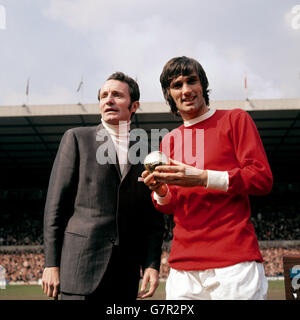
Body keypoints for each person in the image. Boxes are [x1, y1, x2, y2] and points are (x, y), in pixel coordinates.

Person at [142, 56, 273, 300]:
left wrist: (202, 178)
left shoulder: (235, 119)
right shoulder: (169, 140)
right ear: (168, 94)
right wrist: (160, 191)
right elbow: (172, 205)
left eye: (192, 81)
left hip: (235, 263)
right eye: (177, 85)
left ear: (203, 85)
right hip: (183, 268)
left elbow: (261, 179)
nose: (187, 90)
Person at [42, 72, 164, 300]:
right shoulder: (77, 139)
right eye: (104, 95)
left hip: (125, 276)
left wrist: (152, 264)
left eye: (117, 95)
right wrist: (51, 263)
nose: (108, 100)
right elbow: (55, 206)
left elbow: (153, 220)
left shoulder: (146, 152)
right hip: (80, 270)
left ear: (134, 105)